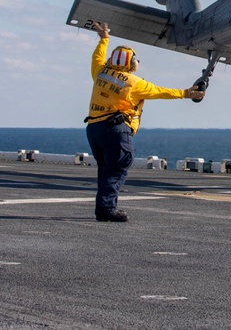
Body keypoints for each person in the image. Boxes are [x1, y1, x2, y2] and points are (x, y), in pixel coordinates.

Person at [85, 21, 205, 223]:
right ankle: (106, 209)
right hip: (116, 130)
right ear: (130, 63)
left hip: (94, 128)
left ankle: (104, 206)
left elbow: (96, 57)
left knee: (106, 170)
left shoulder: (100, 73)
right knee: (117, 168)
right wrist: (185, 93)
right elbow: (160, 91)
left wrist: (104, 39)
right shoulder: (133, 83)